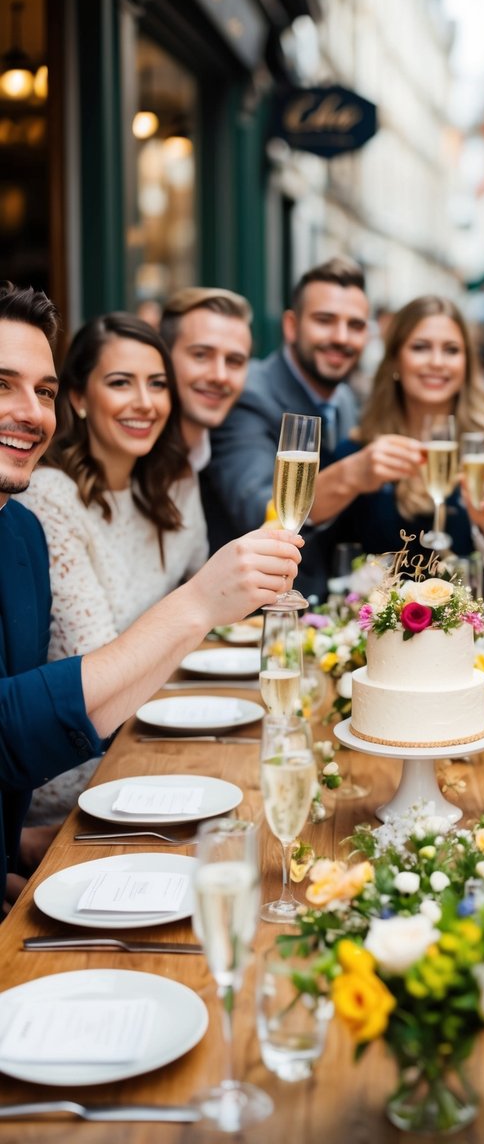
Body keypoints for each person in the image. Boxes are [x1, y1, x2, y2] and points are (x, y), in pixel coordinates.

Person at [0, 281, 303, 907]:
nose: (29, 411)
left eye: (41, 391)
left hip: (114, 773)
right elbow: (39, 714)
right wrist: (199, 604)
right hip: (91, 779)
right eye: (1, 384)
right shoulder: (44, 504)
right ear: (86, 400)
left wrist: (14, 849)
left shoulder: (17, 527)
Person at [16, 313, 210, 833]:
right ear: (77, 398)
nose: (145, 402)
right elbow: (96, 671)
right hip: (80, 779)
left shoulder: (172, 487)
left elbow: (213, 629)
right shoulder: (48, 497)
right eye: (121, 382)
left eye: (158, 384)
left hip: (153, 739)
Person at [309, 295, 484, 605]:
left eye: (451, 350)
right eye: (420, 347)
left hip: (481, 645)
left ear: (467, 364)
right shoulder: (361, 451)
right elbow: (319, 553)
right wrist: (352, 476)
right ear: (395, 359)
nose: (436, 362)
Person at [204, 257, 370, 600]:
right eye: (325, 321)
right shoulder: (248, 394)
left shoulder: (345, 399)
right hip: (248, 615)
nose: (341, 337)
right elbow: (260, 510)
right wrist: (351, 475)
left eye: (355, 325)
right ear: (292, 326)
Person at [159, 286, 252, 474]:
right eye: (201, 355)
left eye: (234, 361)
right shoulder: (129, 462)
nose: (220, 376)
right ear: (164, 356)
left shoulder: (216, 450)